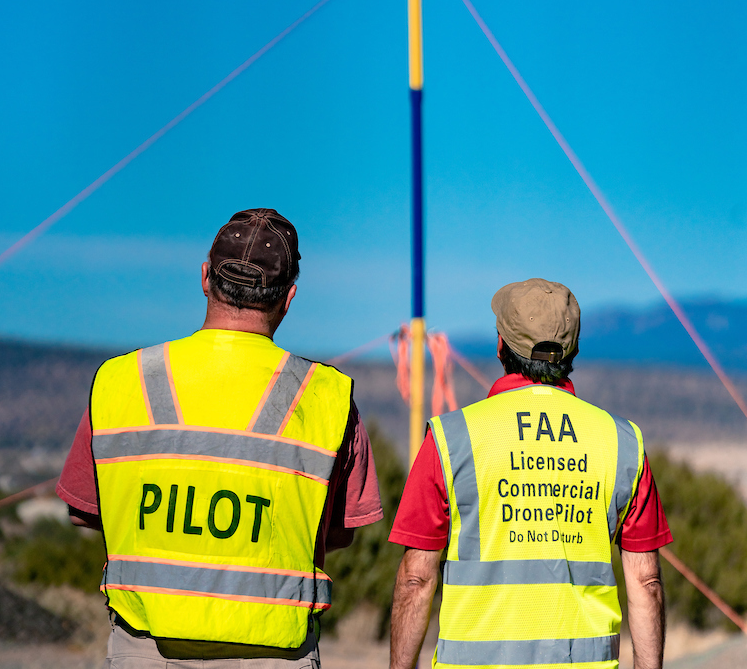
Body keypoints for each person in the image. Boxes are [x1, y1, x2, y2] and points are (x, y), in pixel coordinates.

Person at [57, 207, 383, 667]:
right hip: (273, 654)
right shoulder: (327, 397)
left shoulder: (121, 380)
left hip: (146, 649)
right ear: (288, 298)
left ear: (206, 277)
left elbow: (85, 511)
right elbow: (340, 533)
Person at [388, 278, 671, 669]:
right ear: (574, 350)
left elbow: (416, 579)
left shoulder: (450, 438)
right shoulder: (623, 441)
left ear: (501, 346)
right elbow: (646, 582)